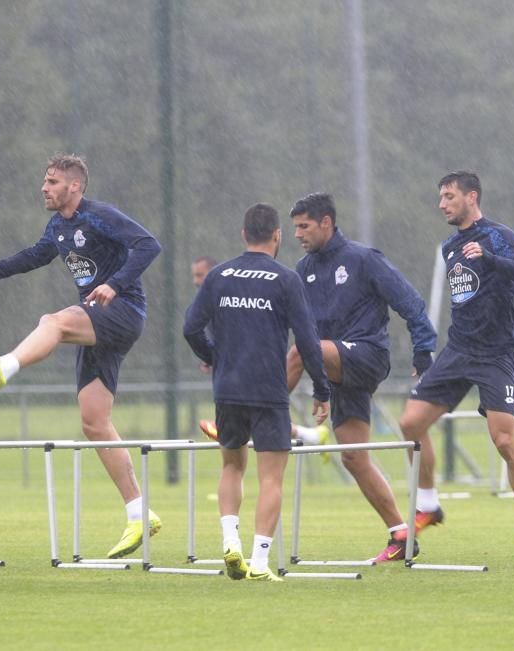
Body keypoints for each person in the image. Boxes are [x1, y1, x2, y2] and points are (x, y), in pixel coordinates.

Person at [0, 153, 163, 559]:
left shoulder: (100, 215)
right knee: (94, 422)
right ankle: (141, 514)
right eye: (44, 181)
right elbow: (32, 257)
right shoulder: (57, 226)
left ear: (74, 187)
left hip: (123, 312)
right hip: (99, 322)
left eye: (51, 181)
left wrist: (116, 285)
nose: (44, 187)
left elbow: (149, 245)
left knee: (53, 321)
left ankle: (4, 366)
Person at [399, 171, 514, 562]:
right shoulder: (449, 246)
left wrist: (492, 259)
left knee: (504, 442)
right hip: (458, 350)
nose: (442, 204)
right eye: (441, 197)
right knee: (410, 424)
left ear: (472, 197)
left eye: (449, 196)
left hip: (496, 353)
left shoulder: (497, 235)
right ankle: (429, 505)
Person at [287, 192, 438, 562]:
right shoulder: (303, 270)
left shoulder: (363, 259)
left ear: (326, 223)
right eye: (294, 228)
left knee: (298, 350)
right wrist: (321, 389)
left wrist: (423, 350)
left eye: (303, 226)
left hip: (368, 355)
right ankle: (401, 533)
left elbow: (411, 303)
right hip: (336, 367)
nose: (297, 235)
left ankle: (257, 412)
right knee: (354, 457)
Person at [184, 203, 330, 582]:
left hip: (228, 389)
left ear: (243, 235)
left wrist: (213, 356)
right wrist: (322, 388)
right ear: (278, 235)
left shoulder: (219, 276)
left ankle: (230, 540)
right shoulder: (285, 279)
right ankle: (260, 561)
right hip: (268, 390)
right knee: (271, 478)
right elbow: (308, 340)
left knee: (232, 466)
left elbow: (190, 328)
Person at [195, 254, 328, 449]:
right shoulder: (213, 296)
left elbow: (193, 329)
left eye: (200, 274)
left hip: (250, 376)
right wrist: (211, 355)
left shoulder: (223, 287)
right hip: (237, 378)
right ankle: (310, 435)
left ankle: (310, 434)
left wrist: (212, 354)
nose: (196, 280)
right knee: (253, 429)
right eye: (194, 276)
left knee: (239, 454)